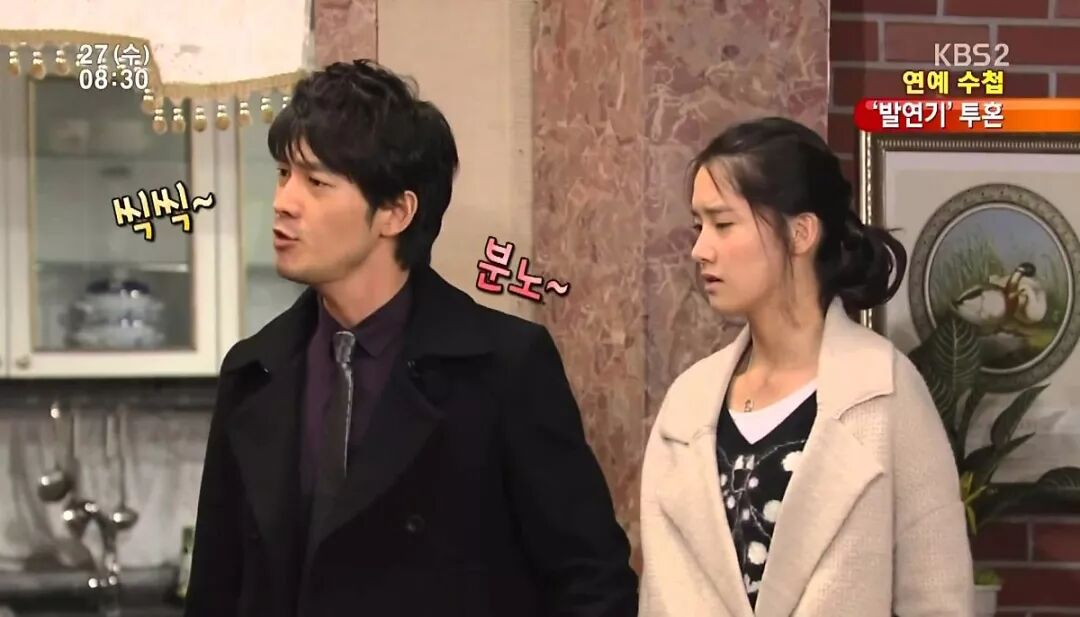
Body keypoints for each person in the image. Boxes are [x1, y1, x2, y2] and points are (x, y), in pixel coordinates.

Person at [184, 59, 638, 617]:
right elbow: (214, 589)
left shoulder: (504, 367)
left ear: (396, 212)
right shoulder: (255, 371)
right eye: (283, 174)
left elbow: (592, 582)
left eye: (317, 183)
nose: (283, 201)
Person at [638, 117, 974, 617]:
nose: (700, 250)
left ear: (801, 233)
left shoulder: (884, 391)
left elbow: (936, 596)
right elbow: (659, 595)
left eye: (723, 224)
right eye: (698, 226)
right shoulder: (687, 406)